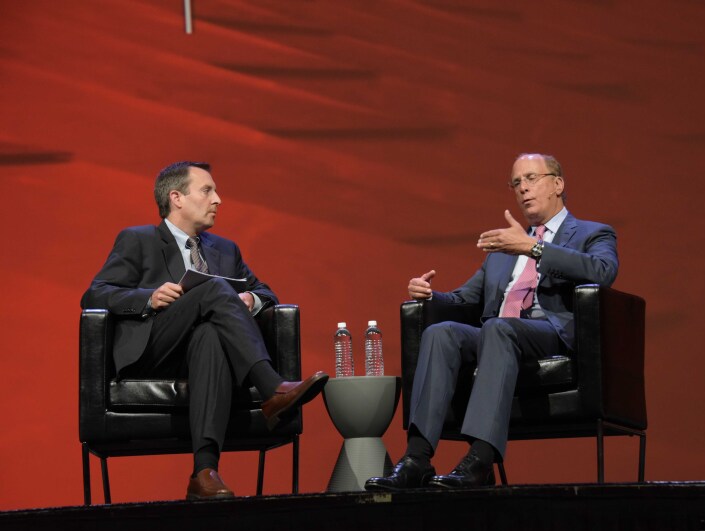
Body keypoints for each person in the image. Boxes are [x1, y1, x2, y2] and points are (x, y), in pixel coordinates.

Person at [365, 153, 619, 490]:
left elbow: (604, 272)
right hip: (499, 334)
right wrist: (430, 296)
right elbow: (464, 299)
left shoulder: (592, 233)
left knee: (498, 328)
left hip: (552, 334)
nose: (523, 189)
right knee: (441, 332)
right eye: (516, 183)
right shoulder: (503, 250)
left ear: (558, 184)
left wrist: (534, 247)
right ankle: (417, 458)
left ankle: (480, 459)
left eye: (531, 178)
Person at [81, 161, 328, 499]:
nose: (218, 200)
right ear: (177, 197)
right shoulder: (138, 239)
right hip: (156, 347)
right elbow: (95, 293)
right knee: (212, 289)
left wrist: (248, 299)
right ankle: (272, 388)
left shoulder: (225, 250)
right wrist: (148, 297)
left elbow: (267, 294)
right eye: (207, 190)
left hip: (204, 356)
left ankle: (204, 472)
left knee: (209, 334)